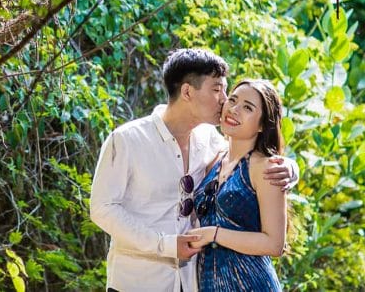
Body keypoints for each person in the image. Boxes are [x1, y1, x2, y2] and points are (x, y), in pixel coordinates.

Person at [90, 49, 297, 292]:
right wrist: (164, 244)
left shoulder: (208, 138)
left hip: (192, 283)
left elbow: (249, 160)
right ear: (187, 91)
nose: (224, 100)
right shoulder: (127, 140)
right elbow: (102, 209)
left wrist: (290, 169)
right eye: (217, 89)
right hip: (138, 281)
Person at [185, 79, 286, 291]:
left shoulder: (266, 168)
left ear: (261, 125)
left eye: (248, 107)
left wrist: (214, 234)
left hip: (252, 283)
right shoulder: (214, 159)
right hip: (209, 284)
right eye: (233, 100)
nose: (234, 109)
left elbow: (275, 244)